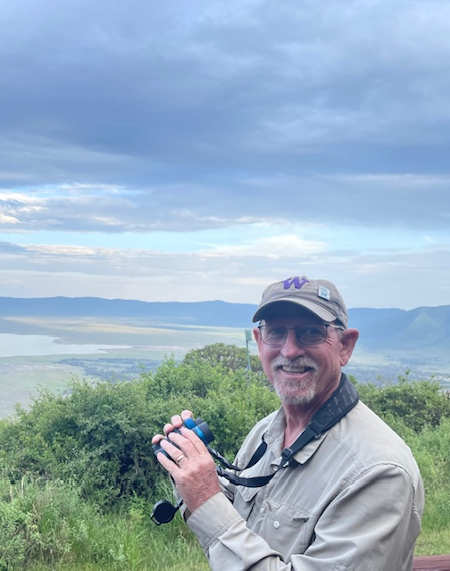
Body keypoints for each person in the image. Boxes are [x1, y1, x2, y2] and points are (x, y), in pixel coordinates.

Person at [152, 276, 424, 570]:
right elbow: (239, 517)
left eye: (310, 333)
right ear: (259, 342)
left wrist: (205, 500)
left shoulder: (379, 473)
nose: (290, 350)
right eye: (277, 332)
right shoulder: (267, 431)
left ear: (345, 346)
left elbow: (224, 528)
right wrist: (189, 470)